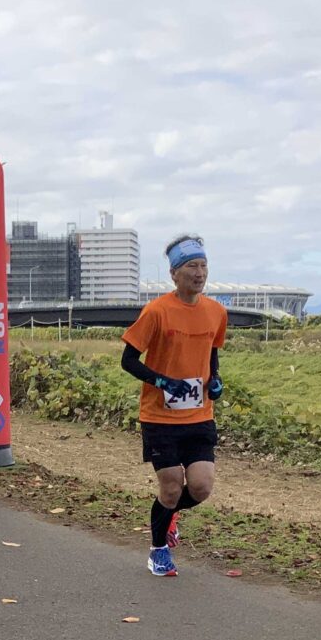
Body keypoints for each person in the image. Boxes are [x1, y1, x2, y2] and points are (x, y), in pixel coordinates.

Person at [120, 235, 227, 577]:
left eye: (203, 266)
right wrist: (163, 381)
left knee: (201, 487)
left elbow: (212, 351)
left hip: (199, 415)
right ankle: (158, 550)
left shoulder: (216, 312)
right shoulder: (156, 311)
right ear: (174, 274)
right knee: (169, 488)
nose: (199, 273)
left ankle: (170, 514)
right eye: (191, 266)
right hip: (159, 416)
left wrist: (215, 379)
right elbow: (128, 360)